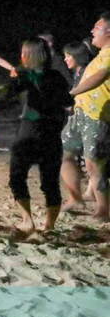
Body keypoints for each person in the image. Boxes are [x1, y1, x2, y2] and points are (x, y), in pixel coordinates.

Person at [0, 39, 73, 234]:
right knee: (50, 182)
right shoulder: (57, 77)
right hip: (52, 133)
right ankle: (50, 226)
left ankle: (28, 221)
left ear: (30, 55)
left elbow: (6, 91)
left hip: (29, 132)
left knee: (17, 177)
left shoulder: (26, 75)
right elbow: (67, 102)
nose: (21, 56)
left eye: (23, 52)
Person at [63, 11, 110, 222]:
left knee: (93, 164)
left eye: (97, 28)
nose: (92, 31)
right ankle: (76, 198)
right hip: (81, 114)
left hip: (97, 116)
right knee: (65, 155)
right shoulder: (101, 55)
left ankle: (103, 209)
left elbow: (100, 77)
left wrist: (71, 93)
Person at [60, 42, 95, 211]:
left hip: (88, 119)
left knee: (90, 161)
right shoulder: (80, 73)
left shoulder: (88, 73)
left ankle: (86, 200)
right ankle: (87, 194)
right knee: (90, 160)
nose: (65, 59)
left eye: (69, 56)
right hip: (81, 119)